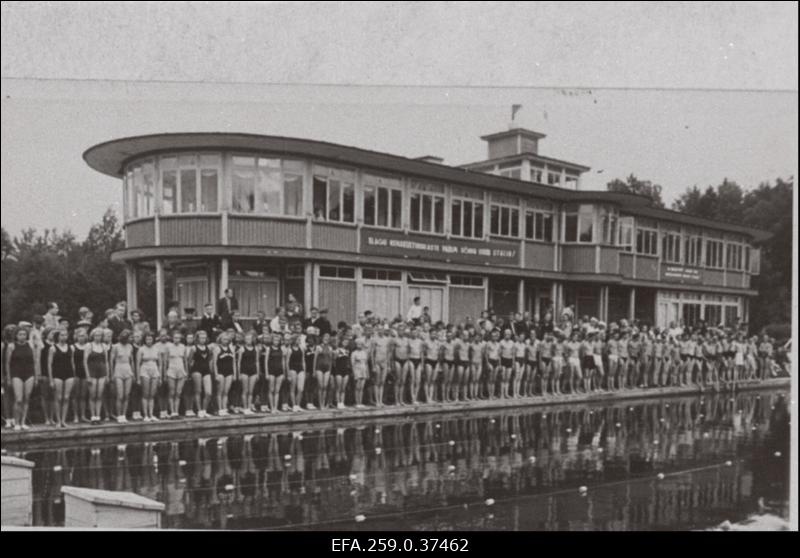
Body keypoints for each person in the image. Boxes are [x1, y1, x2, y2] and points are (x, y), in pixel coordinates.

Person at [6, 327, 39, 430]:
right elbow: (7, 363)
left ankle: (23, 421)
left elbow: (35, 362)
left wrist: (36, 377)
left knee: (26, 398)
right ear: (16, 335)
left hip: (29, 373)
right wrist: (8, 377)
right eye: (20, 334)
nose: (22, 336)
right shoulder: (11, 346)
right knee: (18, 399)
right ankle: (16, 423)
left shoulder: (31, 346)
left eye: (24, 334)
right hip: (16, 373)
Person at [84, 328, 109, 424]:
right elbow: (85, 361)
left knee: (99, 395)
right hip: (92, 371)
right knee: (92, 395)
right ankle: (92, 416)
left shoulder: (104, 346)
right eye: (96, 335)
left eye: (99, 335)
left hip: (102, 371)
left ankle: (98, 416)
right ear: (93, 336)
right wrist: (87, 375)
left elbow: (106, 361)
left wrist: (107, 374)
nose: (98, 337)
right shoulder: (89, 345)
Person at [110, 329, 135, 423]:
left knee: (126, 395)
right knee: (120, 395)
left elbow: (131, 360)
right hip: (118, 369)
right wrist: (112, 373)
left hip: (127, 369)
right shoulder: (115, 346)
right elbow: (111, 360)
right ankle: (119, 415)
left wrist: (133, 373)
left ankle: (124, 414)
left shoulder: (130, 346)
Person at [350, 339, 368, 408]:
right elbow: (352, 364)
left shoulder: (364, 352)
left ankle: (360, 402)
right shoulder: (354, 353)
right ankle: (357, 402)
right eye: (358, 344)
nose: (359, 345)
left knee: (362, 387)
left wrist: (366, 372)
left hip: (363, 370)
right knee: (357, 387)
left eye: (360, 344)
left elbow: (366, 363)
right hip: (357, 370)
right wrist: (354, 373)